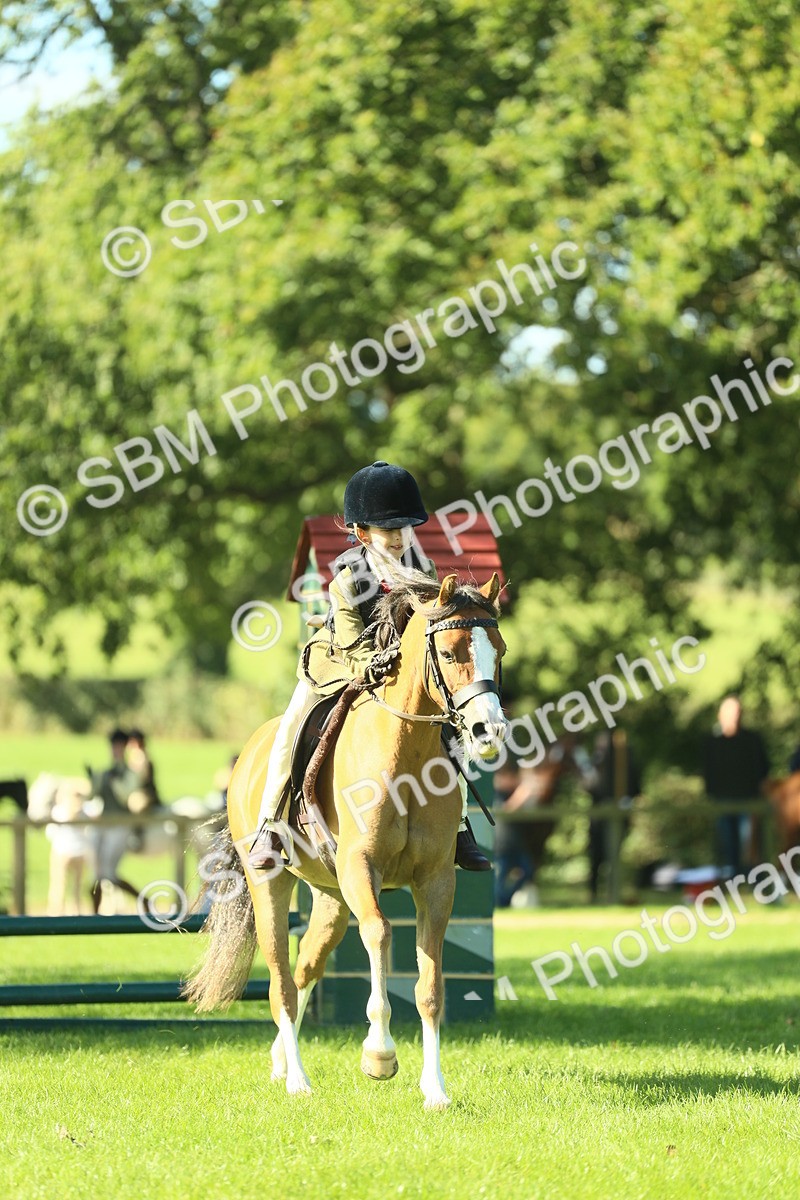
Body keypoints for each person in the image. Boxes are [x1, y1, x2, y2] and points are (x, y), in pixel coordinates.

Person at [248, 459, 490, 872]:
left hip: (400, 671)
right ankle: (270, 824)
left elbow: (427, 628)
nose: (399, 538)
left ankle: (460, 824)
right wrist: (379, 665)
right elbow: (349, 640)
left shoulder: (423, 568)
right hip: (342, 661)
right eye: (388, 530)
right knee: (292, 723)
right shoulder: (347, 579)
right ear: (362, 533)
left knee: (452, 731)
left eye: (405, 528)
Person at [702, 695, 769, 877]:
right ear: (720, 715)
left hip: (748, 800)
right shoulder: (713, 742)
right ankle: (732, 879)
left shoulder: (752, 740)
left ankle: (753, 879)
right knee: (727, 843)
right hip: (722, 800)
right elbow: (708, 772)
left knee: (749, 844)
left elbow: (762, 769)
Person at [89, 727, 142, 913]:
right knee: (95, 876)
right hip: (103, 824)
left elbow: (125, 797)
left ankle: (143, 900)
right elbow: (93, 795)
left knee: (108, 875)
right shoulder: (105, 773)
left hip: (120, 825)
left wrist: (114, 781)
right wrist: (93, 779)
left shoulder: (130, 774)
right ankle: (95, 916)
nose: (116, 750)